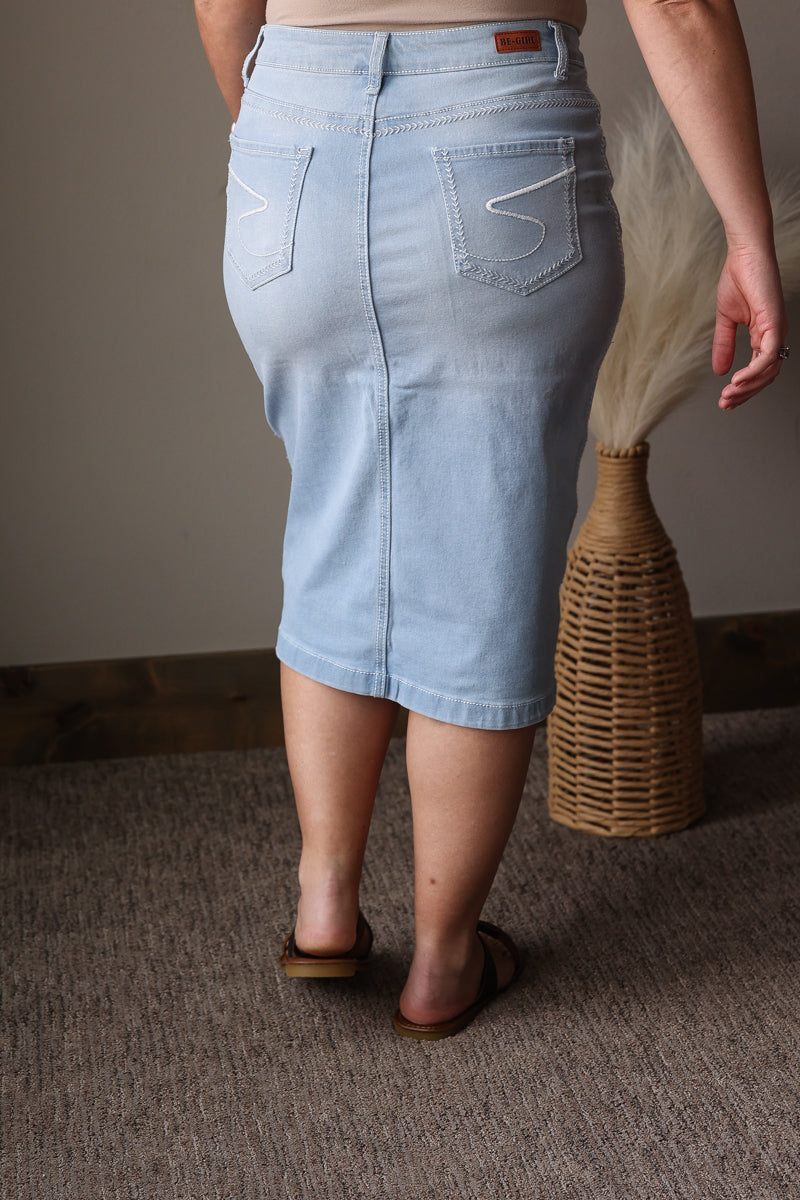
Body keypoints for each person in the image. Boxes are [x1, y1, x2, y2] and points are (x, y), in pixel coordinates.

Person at [194, 0, 789, 1040]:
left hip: (291, 134)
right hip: (493, 130)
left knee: (331, 526)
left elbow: (217, 2)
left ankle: (325, 906)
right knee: (484, 562)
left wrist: (276, 132)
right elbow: (675, 5)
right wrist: (744, 233)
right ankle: (444, 959)